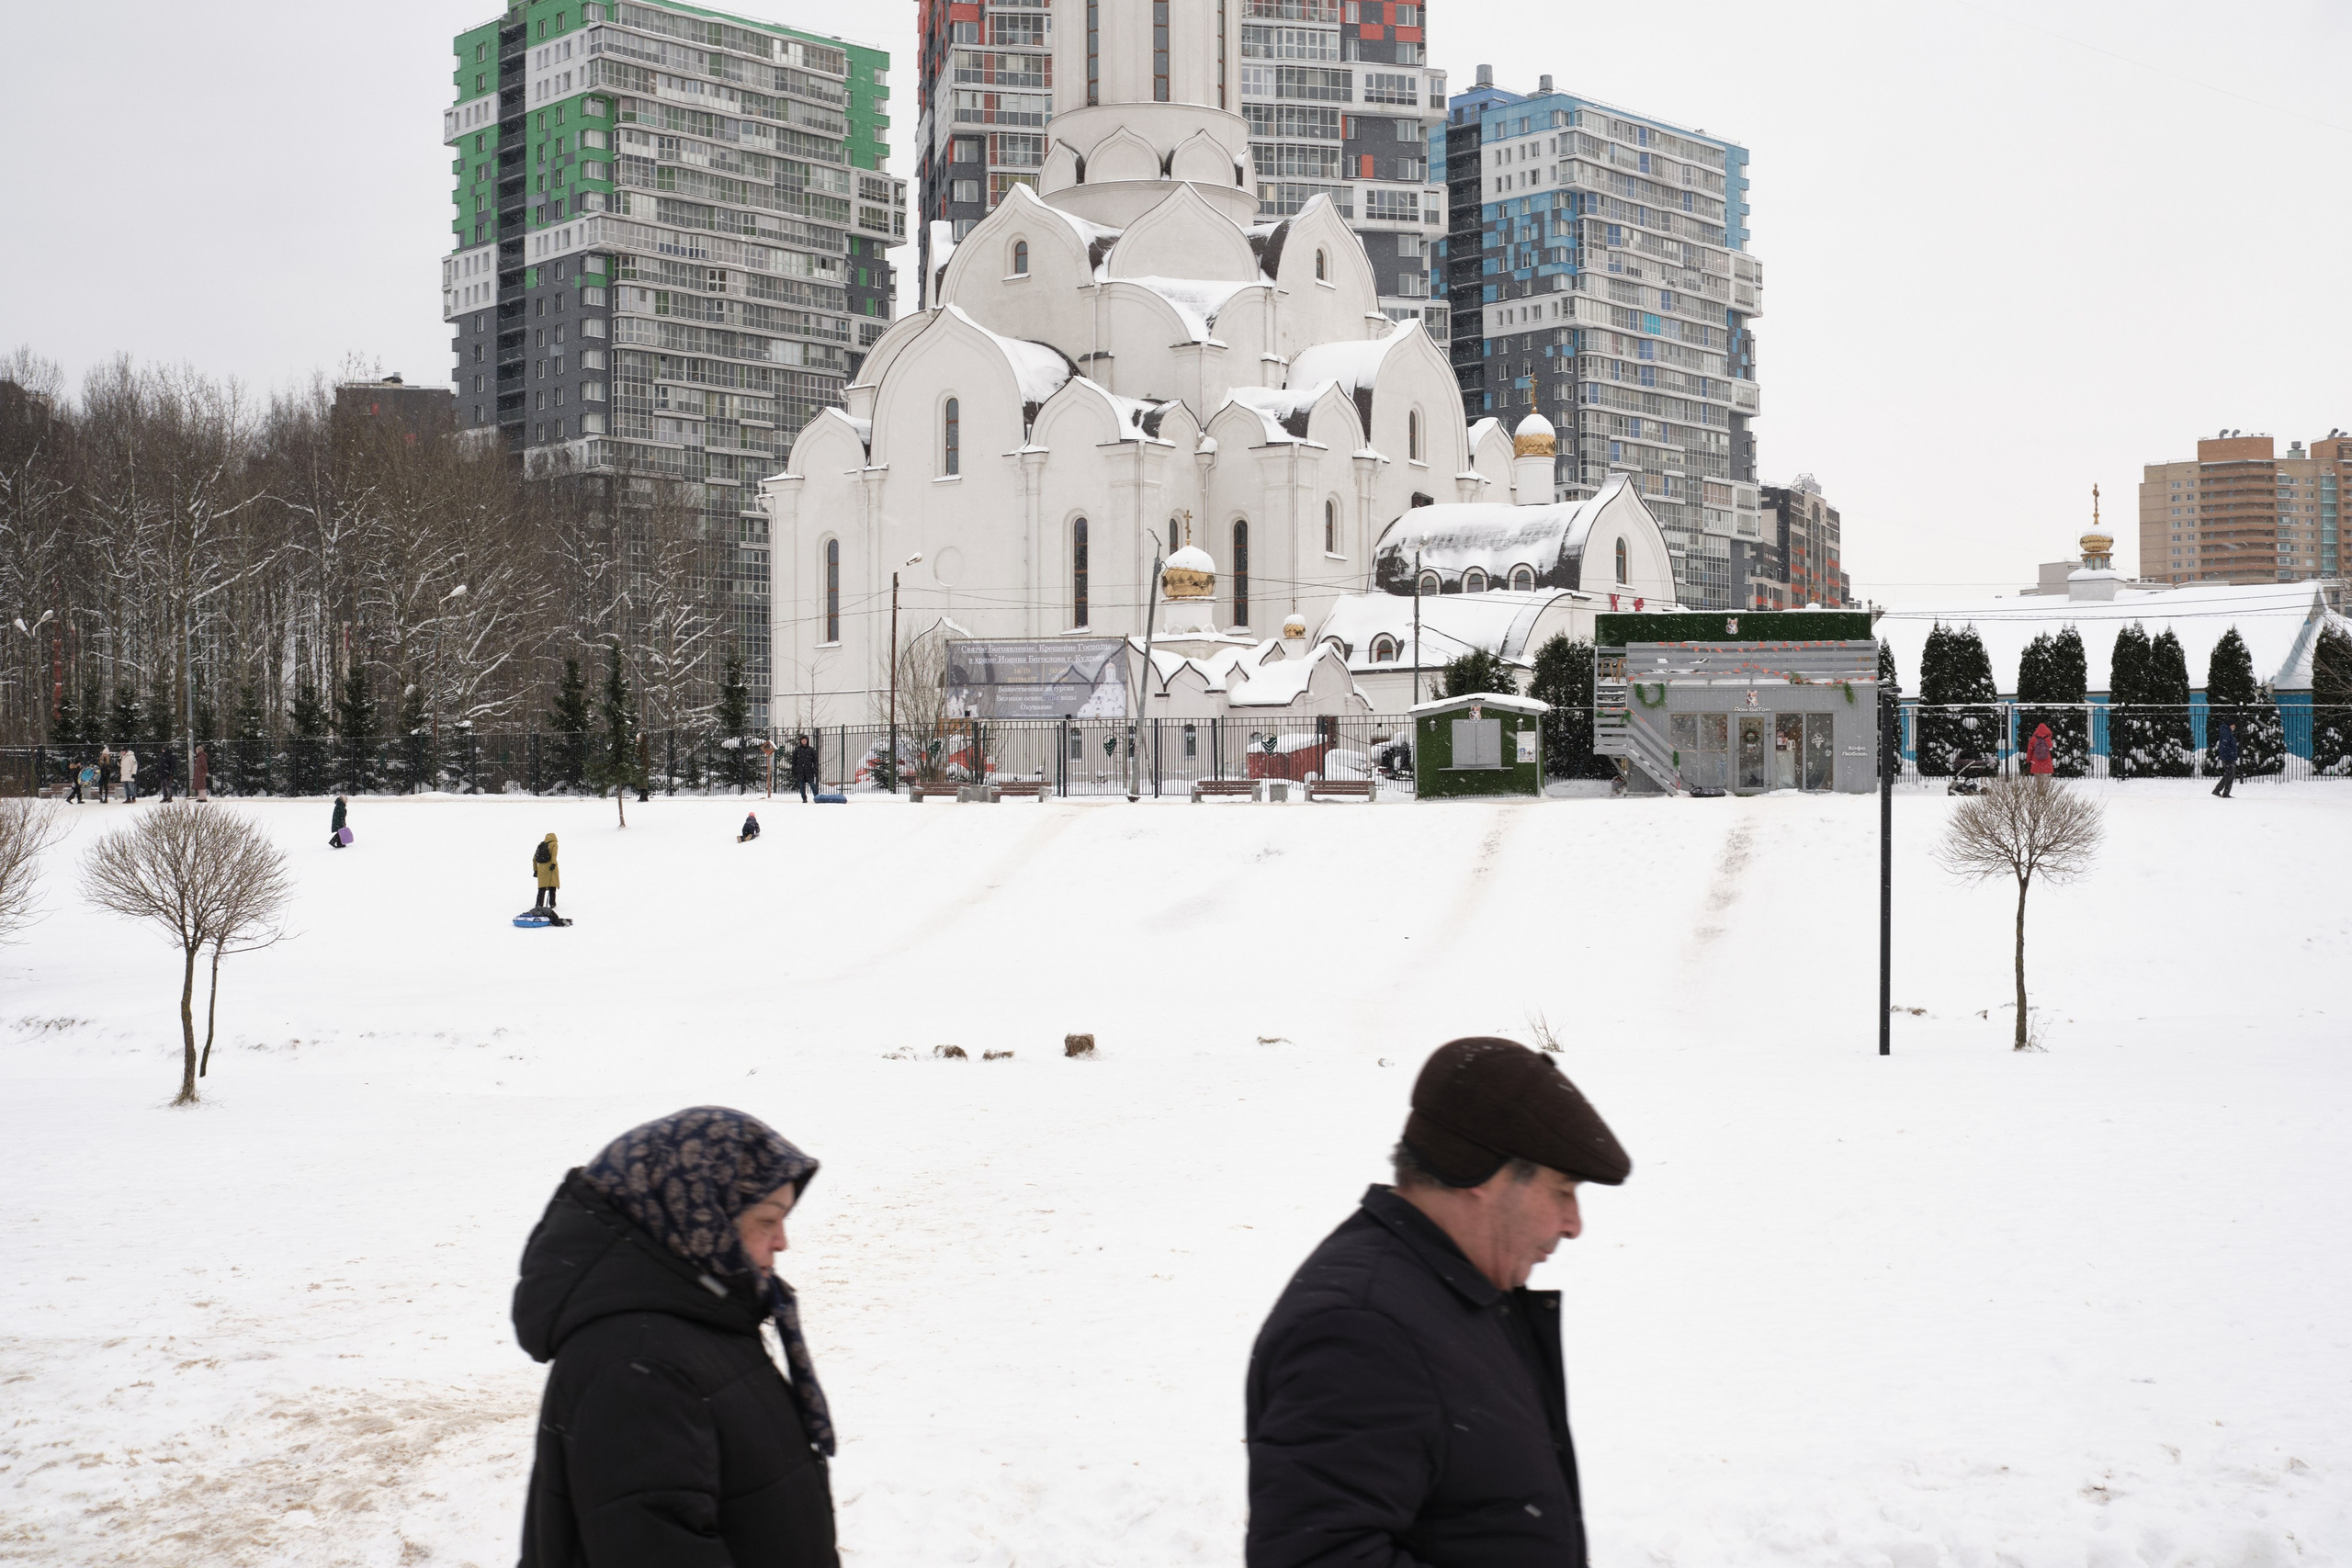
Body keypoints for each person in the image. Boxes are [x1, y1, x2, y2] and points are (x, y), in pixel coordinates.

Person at [1246, 1037, 1632, 1568]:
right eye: (1562, 1190)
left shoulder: (1456, 1293)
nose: (1574, 1224)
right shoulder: (1362, 1331)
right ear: (1484, 1174)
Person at [514, 1106, 838, 1568]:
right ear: (702, 1218)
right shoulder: (637, 1364)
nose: (782, 1240)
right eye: (767, 1220)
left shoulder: (701, 1324)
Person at [2211, 717, 2240, 798]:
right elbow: (2224, 745)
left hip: (2229, 756)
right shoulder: (2226, 733)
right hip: (2228, 757)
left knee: (2231, 774)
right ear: (2230, 725)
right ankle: (2218, 790)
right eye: (2233, 725)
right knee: (2230, 774)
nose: (2234, 726)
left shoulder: (2227, 732)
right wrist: (2230, 753)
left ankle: (2225, 792)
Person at [533, 832, 560, 914]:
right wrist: (553, 864)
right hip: (551, 868)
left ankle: (539, 904)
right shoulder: (554, 844)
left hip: (541, 869)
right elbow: (554, 856)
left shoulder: (540, 845)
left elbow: (534, 859)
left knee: (542, 888)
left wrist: (536, 870)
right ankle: (552, 903)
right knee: (552, 885)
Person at [789, 735, 820, 803]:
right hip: (800, 771)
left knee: (812, 785)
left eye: (805, 740)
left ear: (807, 741)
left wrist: (815, 769)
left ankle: (817, 797)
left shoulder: (811, 750)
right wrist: (794, 770)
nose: (804, 741)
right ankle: (804, 799)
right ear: (800, 741)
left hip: (809, 770)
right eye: (802, 740)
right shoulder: (797, 750)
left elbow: (815, 760)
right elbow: (794, 761)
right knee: (801, 786)